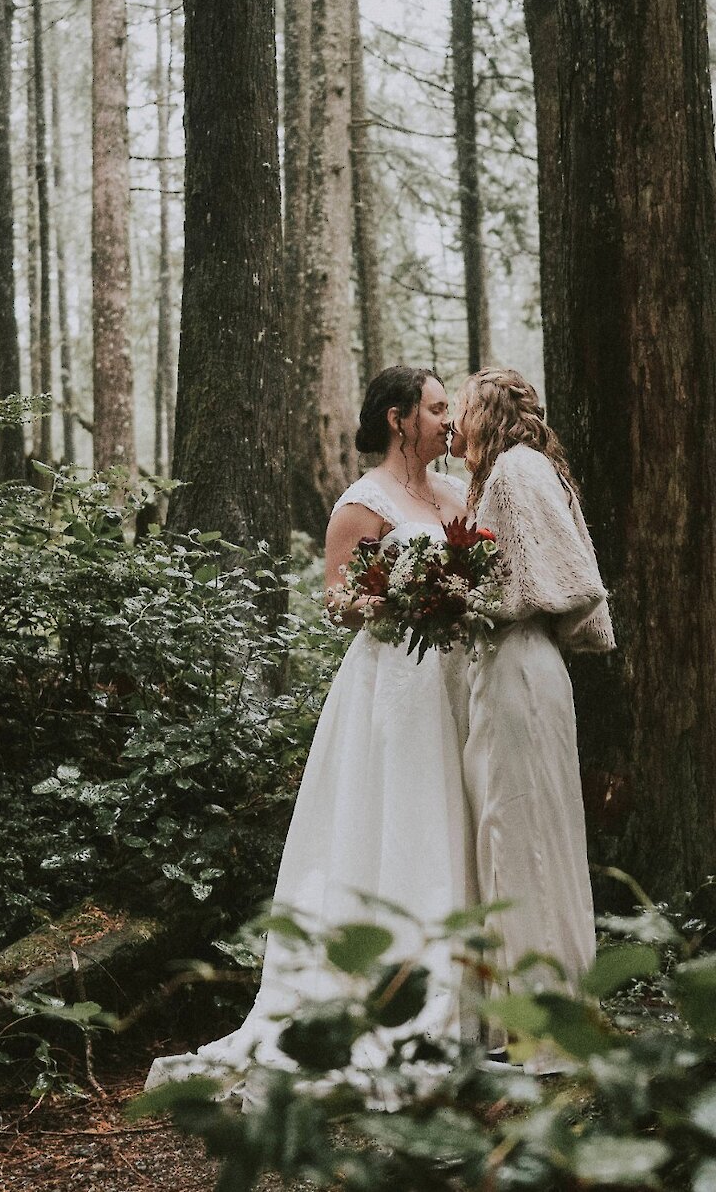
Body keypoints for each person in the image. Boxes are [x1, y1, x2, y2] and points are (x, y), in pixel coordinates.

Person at [147, 367, 479, 1089]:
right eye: (436, 408)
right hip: (395, 685)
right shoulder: (362, 504)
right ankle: (391, 996)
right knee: (404, 819)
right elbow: (336, 603)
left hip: (459, 679)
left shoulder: (456, 495)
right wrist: (402, 596)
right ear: (398, 419)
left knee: (462, 819)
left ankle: (469, 994)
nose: (448, 421)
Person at [453, 367, 612, 1059]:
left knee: (528, 836)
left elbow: (568, 580)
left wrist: (466, 601)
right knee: (508, 833)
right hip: (502, 667)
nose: (455, 425)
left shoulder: (518, 472)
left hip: (519, 664)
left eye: (461, 410)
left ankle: (542, 1032)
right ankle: (519, 1020)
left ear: (487, 412)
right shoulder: (508, 473)